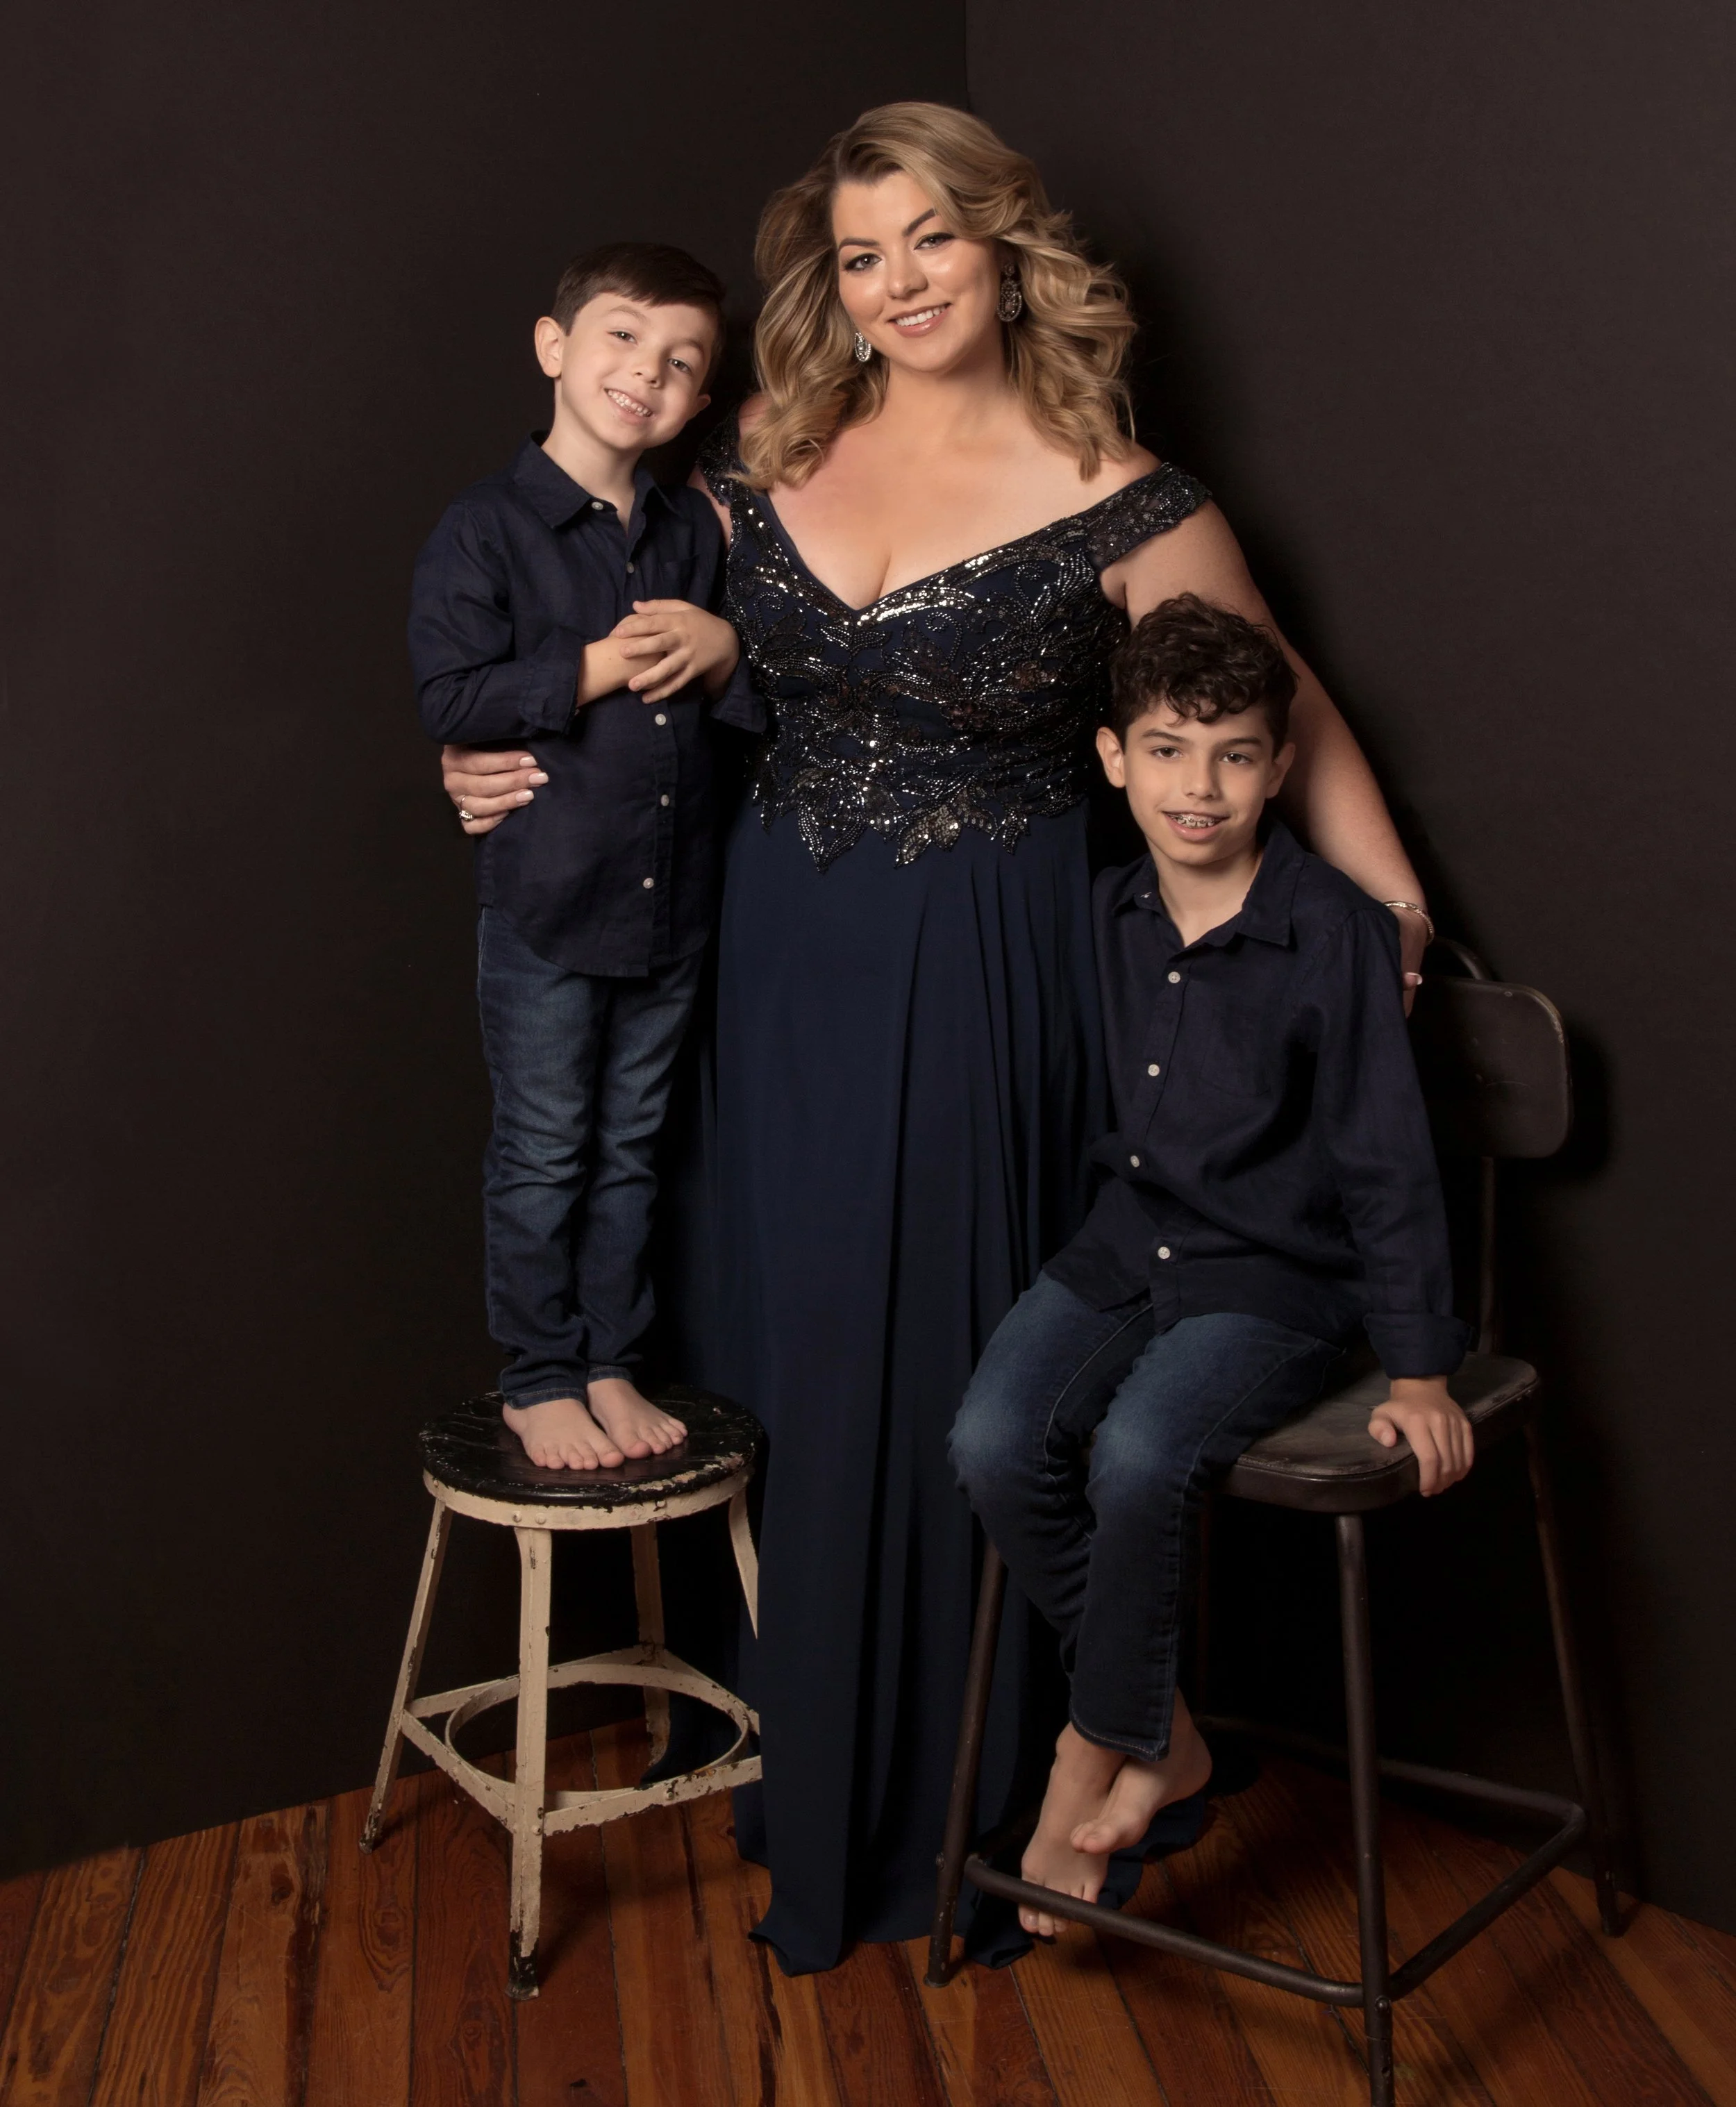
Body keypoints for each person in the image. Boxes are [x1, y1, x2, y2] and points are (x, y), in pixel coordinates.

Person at [438, 104, 1438, 1974]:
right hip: (765, 971)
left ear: (1005, 250)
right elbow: (571, 624)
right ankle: (797, 1761)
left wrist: (1385, 906)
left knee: (936, 1392)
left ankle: (993, 1785)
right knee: (786, 1368)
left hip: (992, 981)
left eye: (931, 243)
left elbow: (1276, 691)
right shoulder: (762, 448)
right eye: (859, 253)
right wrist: (476, 750)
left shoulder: (1122, 488)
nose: (893, 285)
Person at [949, 594, 1474, 1936]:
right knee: (994, 1436)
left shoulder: (1336, 933)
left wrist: (1420, 1368)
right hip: (1126, 1249)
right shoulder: (1105, 910)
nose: (1202, 786)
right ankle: (1164, 1733)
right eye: (1171, 750)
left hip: (1276, 1278)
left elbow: (1387, 1164)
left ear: (1281, 766)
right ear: (1116, 758)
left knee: (1136, 1455)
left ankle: (1093, 1748)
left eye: (1236, 753)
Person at [409, 242, 758, 1472]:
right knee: (546, 1143)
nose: (645, 373)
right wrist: (600, 664)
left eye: (679, 362)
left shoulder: (690, 533)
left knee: (631, 1146)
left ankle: (612, 1356)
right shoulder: (488, 527)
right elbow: (451, 696)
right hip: (551, 904)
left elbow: (744, 712)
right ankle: (540, 1370)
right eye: (620, 338)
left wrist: (722, 650)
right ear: (555, 347)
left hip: (672, 905)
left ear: (700, 400)